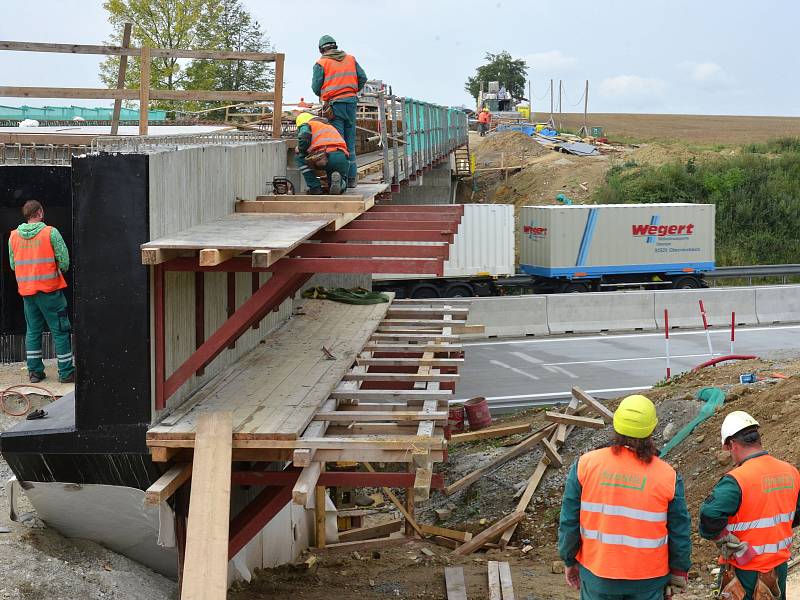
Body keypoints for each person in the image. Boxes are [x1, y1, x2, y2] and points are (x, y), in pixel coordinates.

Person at [558, 394, 692, 599]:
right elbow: (679, 530)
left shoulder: (586, 465)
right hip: (648, 580)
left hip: (598, 574)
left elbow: (569, 522)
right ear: (652, 430)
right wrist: (679, 570)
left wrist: (569, 560)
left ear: (616, 425)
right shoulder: (667, 476)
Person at [699, 411, 800, 600]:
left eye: (728, 449)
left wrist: (723, 538)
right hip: (779, 567)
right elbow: (796, 514)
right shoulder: (790, 472)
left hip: (746, 571)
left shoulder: (737, 479)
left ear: (733, 445)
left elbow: (709, 516)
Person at [8, 200, 74, 383]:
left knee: (33, 331)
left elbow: (14, 265)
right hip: (50, 292)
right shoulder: (50, 233)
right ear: (40, 212)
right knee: (60, 331)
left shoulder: (13, 236)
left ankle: (35, 372)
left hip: (28, 293)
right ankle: (66, 372)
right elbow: (65, 261)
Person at [312, 35, 367, 189]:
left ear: (321, 49)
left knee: (337, 144)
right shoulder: (350, 59)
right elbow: (362, 77)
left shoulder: (321, 63)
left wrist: (326, 93)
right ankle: (351, 179)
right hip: (351, 103)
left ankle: (339, 179)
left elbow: (316, 87)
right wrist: (352, 90)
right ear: (335, 46)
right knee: (350, 142)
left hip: (335, 106)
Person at [295, 112, 349, 195]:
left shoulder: (307, 125)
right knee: (334, 184)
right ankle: (341, 183)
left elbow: (304, 137)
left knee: (300, 157)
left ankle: (315, 188)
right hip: (342, 158)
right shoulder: (328, 126)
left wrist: (300, 149)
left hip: (324, 157)